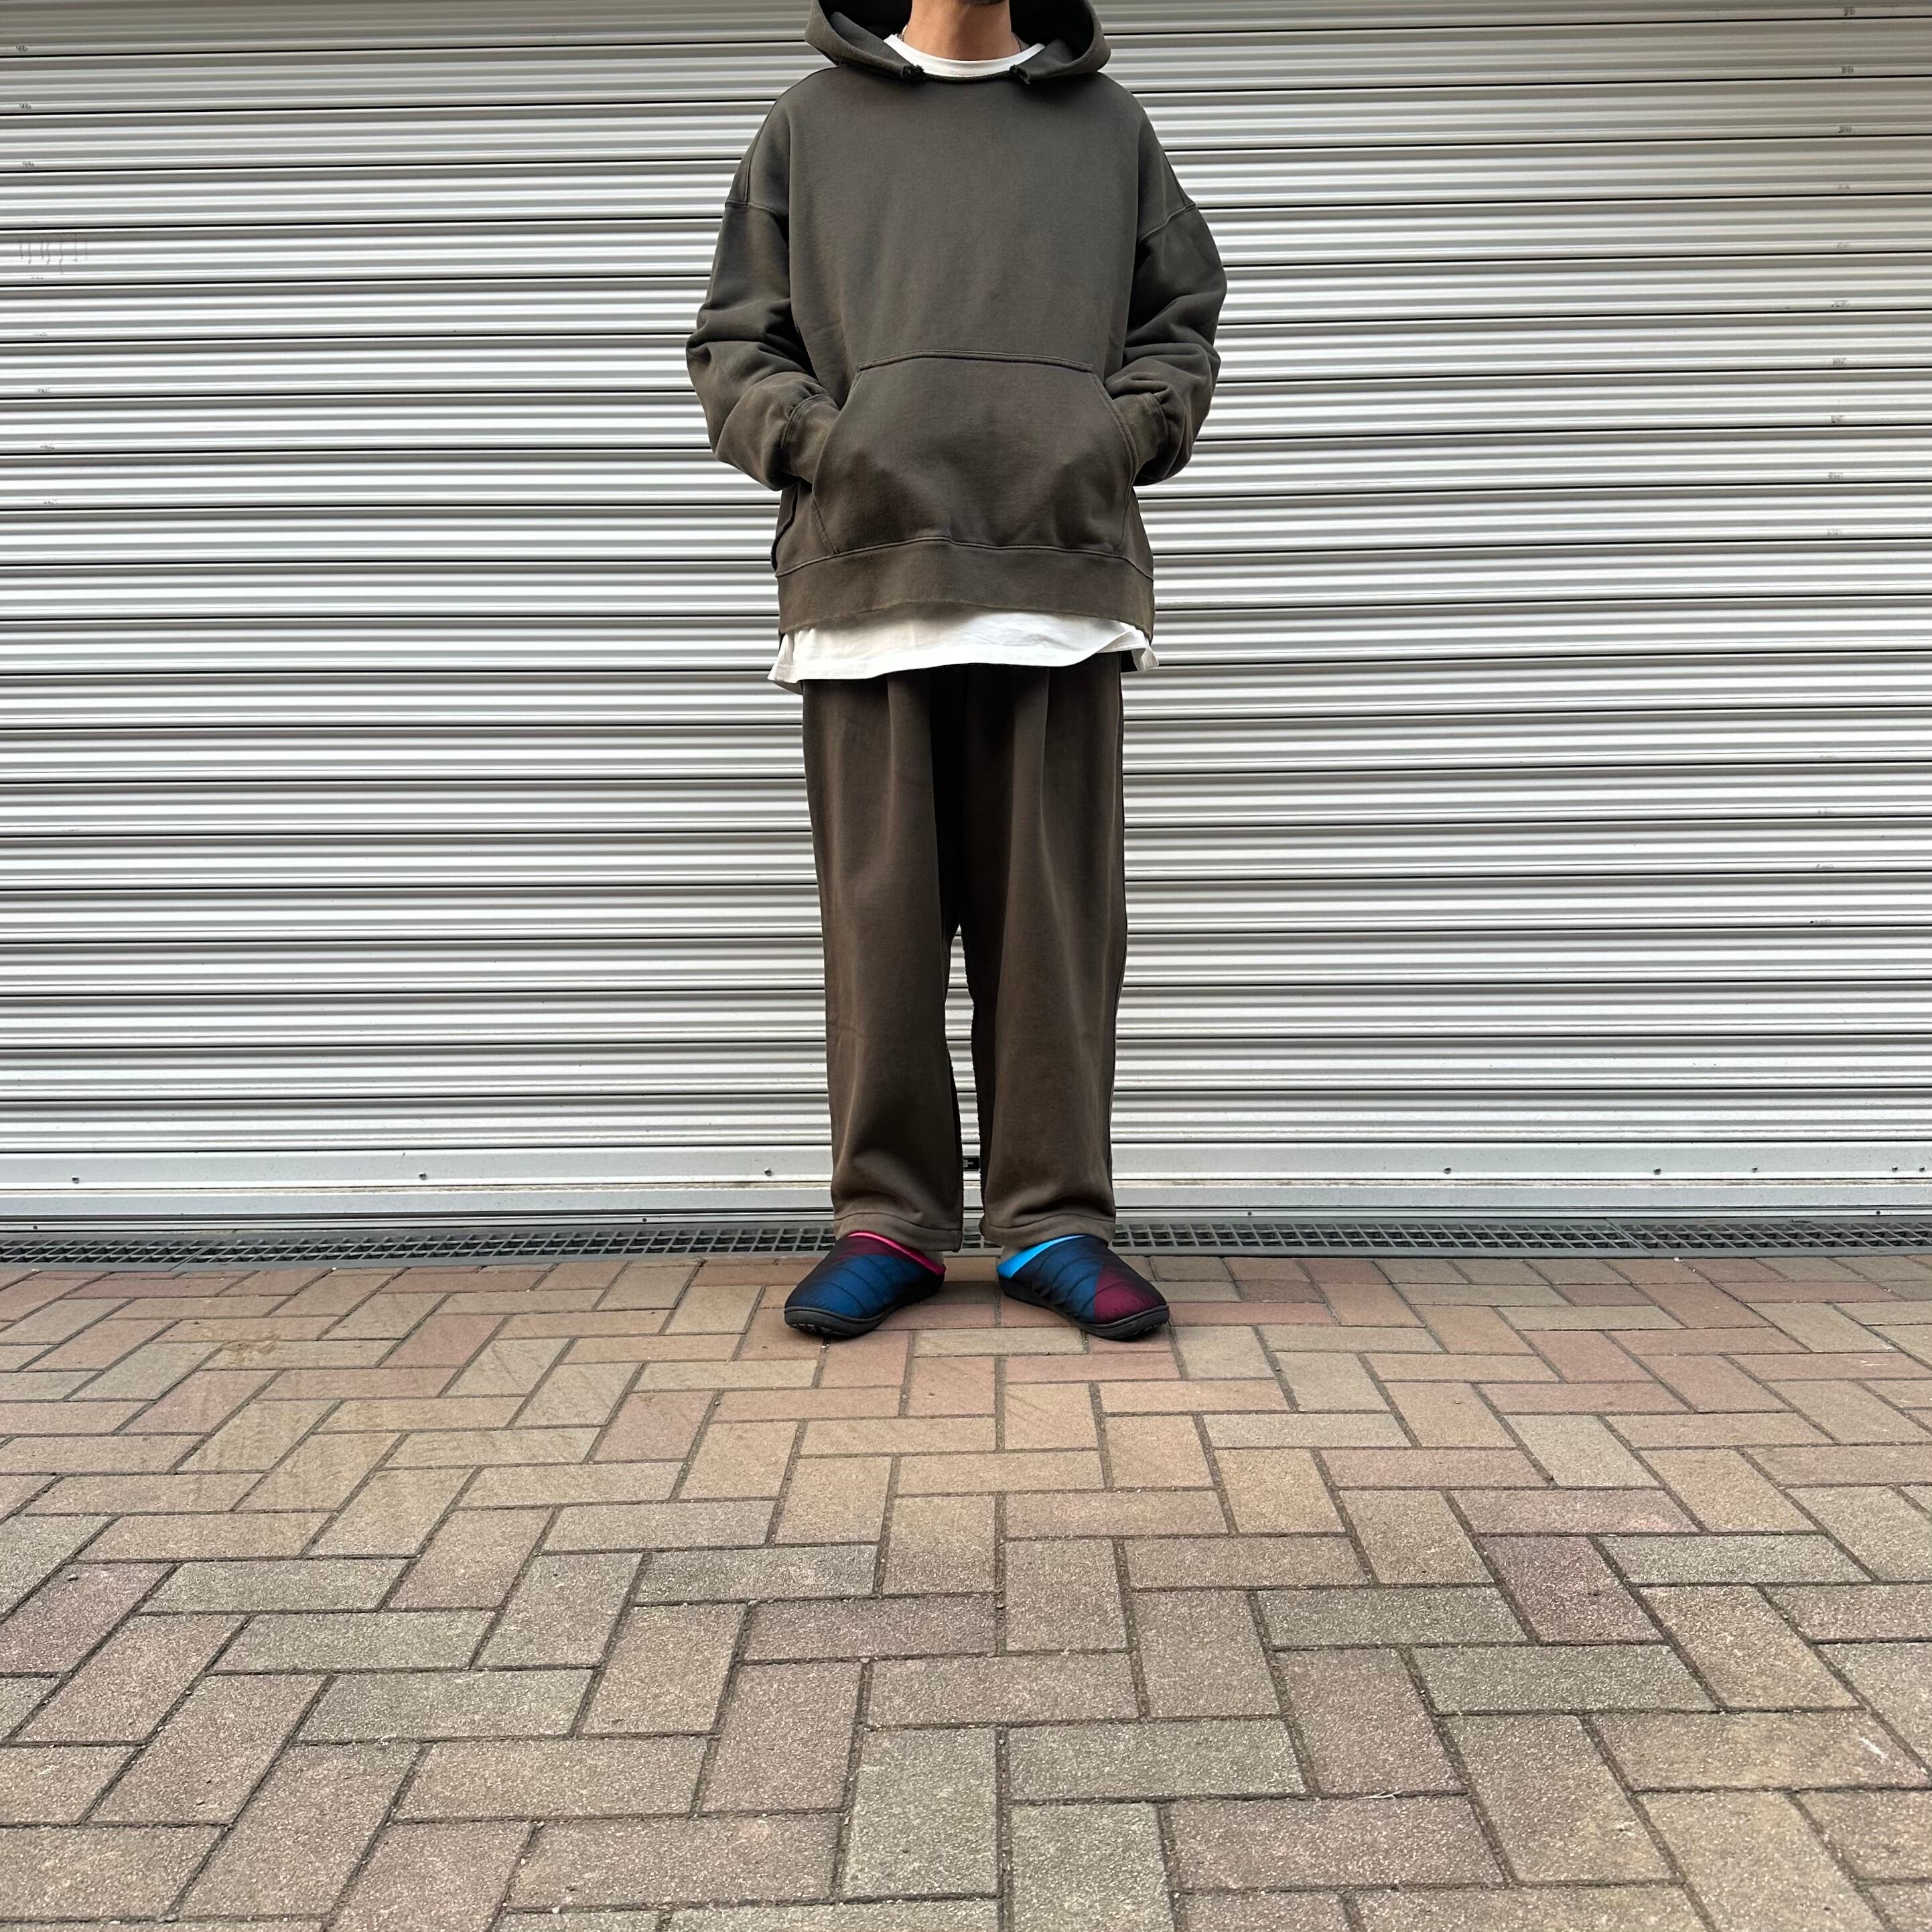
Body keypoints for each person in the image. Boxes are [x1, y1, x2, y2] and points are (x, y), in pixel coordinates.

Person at [687, 0, 1225, 1342]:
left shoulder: (1106, 128)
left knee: (1055, 936)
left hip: (1056, 580)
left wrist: (1109, 438)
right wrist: (831, 446)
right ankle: (889, 1220)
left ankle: (1053, 1221)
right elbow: (735, 345)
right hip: (867, 580)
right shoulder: (809, 126)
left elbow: (1180, 328)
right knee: (879, 935)